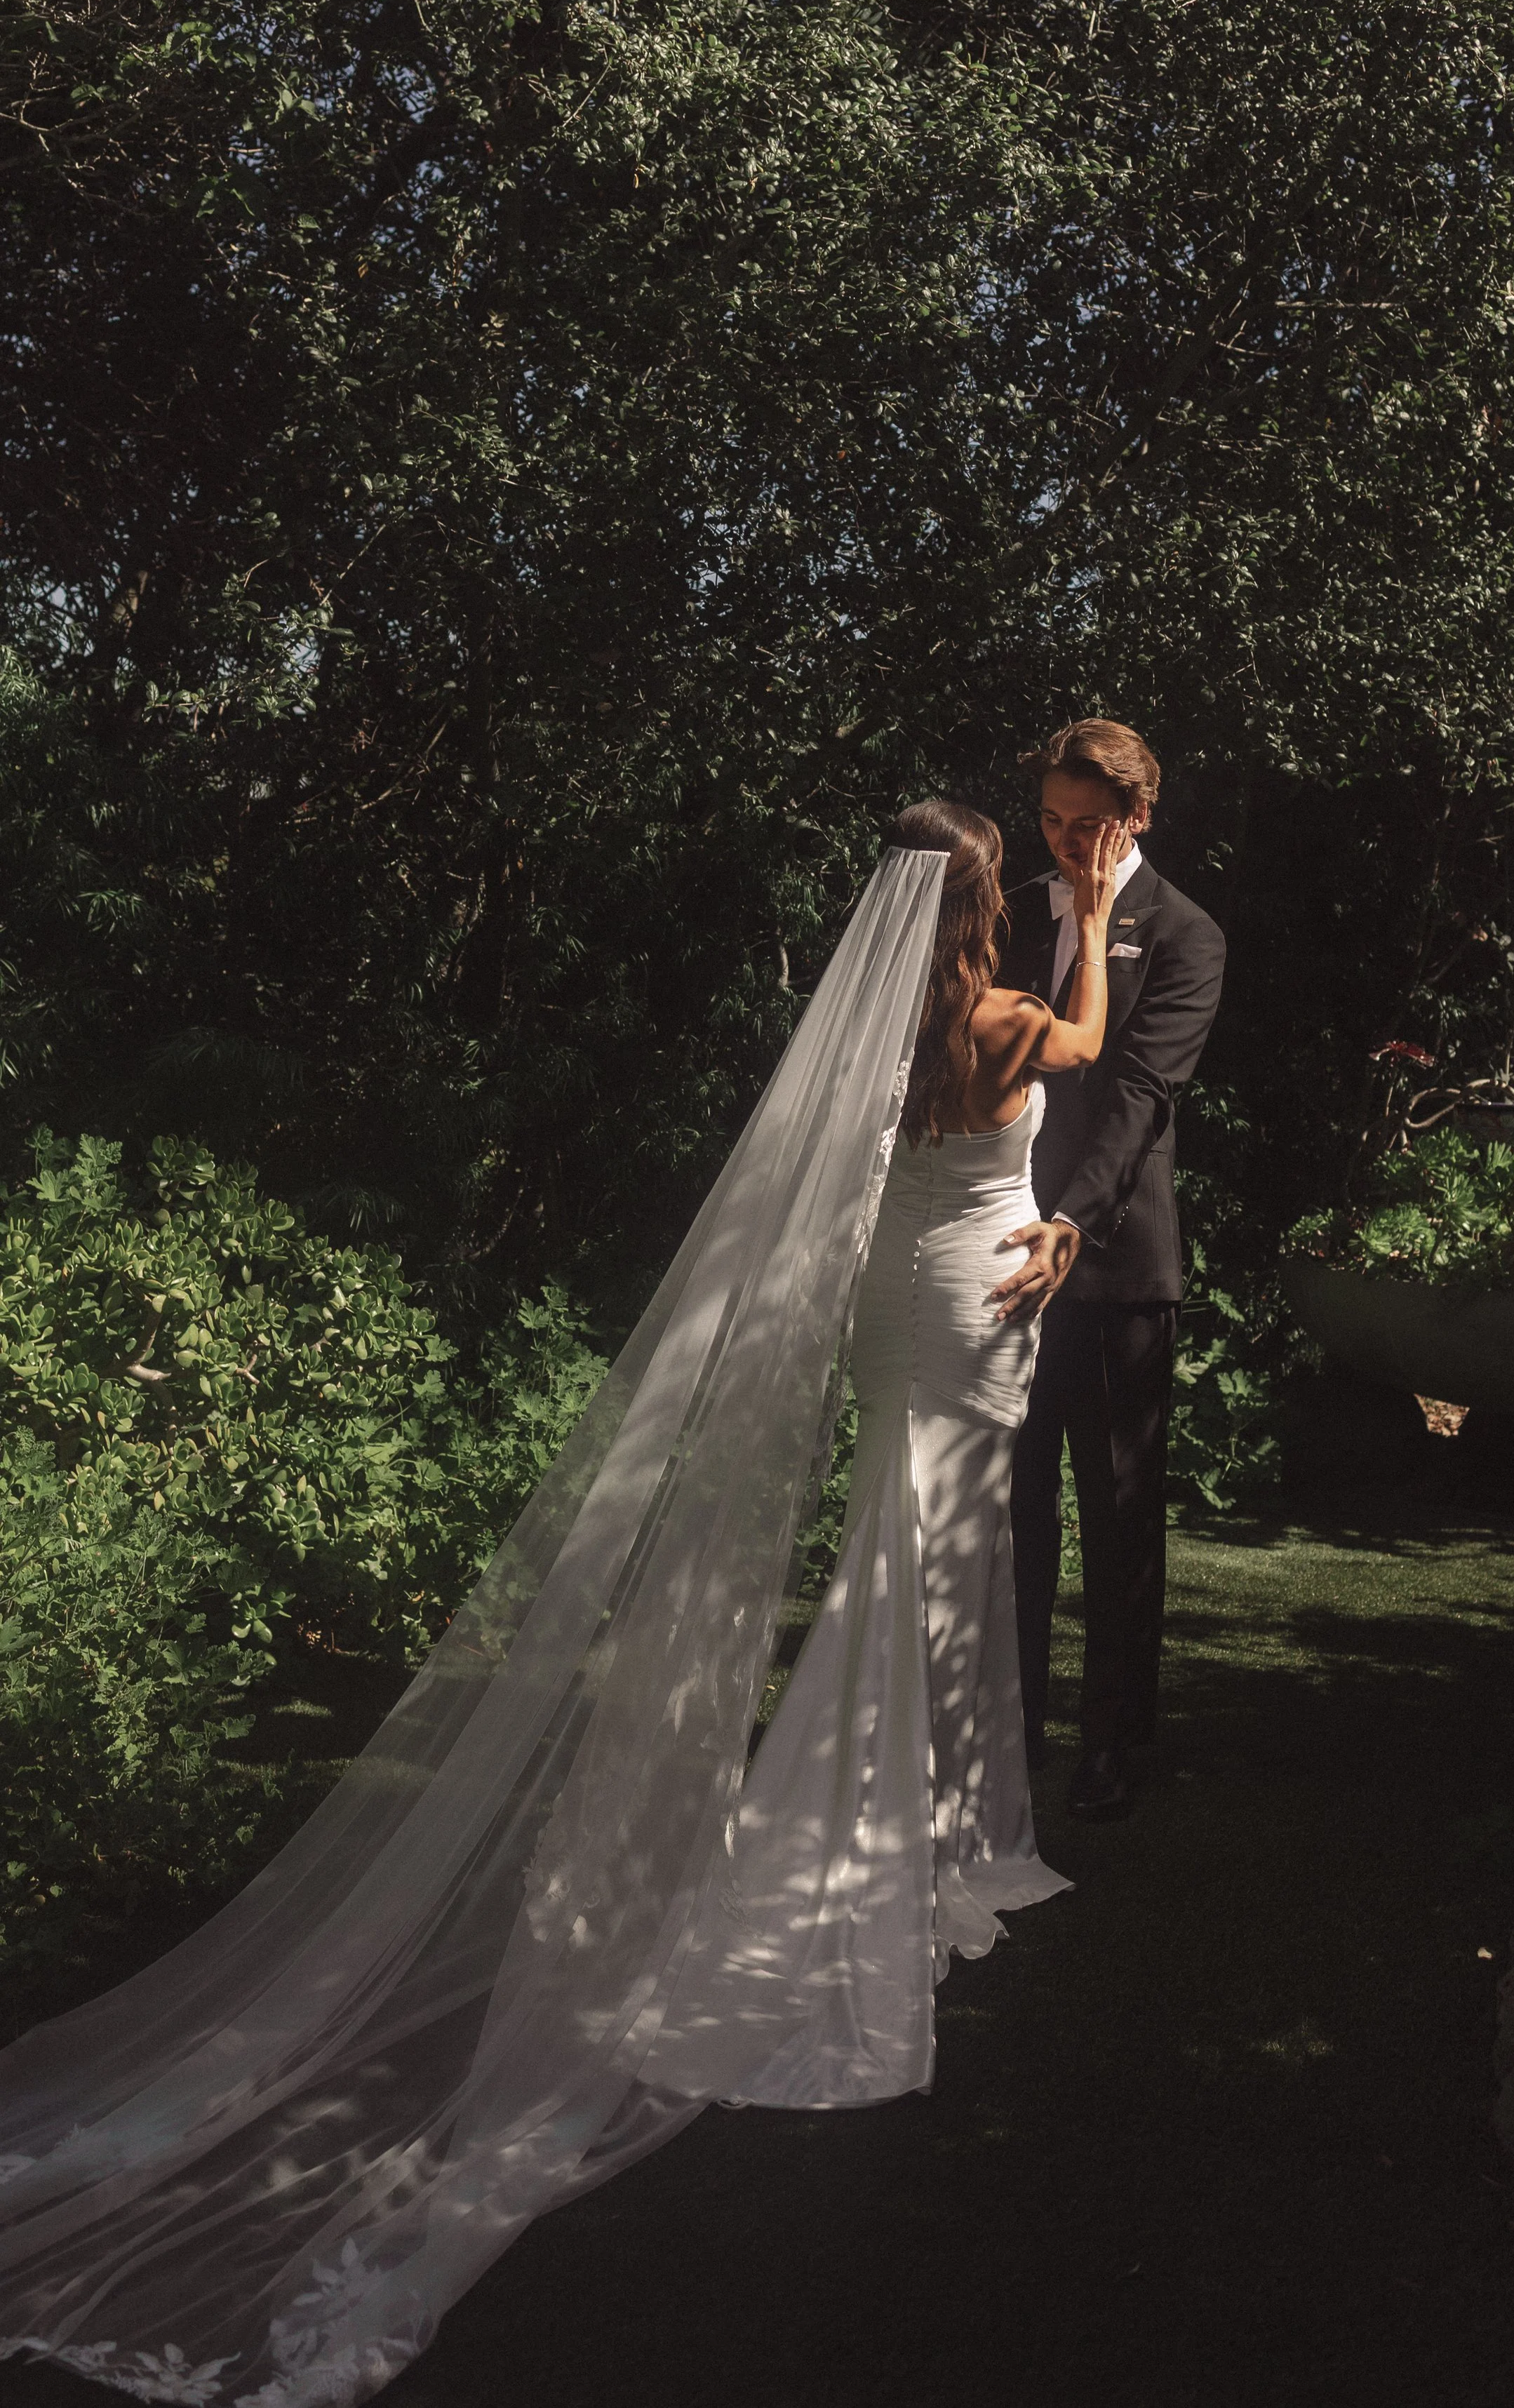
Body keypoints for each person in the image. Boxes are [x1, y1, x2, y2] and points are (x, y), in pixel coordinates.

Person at [0, 803, 1125, 2407]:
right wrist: (1092, 905)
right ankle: (876, 1843)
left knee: (901, 1551)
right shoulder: (1009, 1016)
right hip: (972, 1303)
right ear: (979, 901)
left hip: (901, 1300)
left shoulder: (886, 1029)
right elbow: (1085, 1040)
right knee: (930, 1559)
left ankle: (930, 1824)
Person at [991, 720, 1226, 1821]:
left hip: (1113, 1258)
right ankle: (1011, 1724)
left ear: (1138, 817)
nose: (1066, 841)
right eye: (1050, 819)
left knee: (1119, 1508)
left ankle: (1115, 1744)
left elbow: (1139, 1097)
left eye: (1088, 824)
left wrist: (1069, 1221)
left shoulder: (1186, 933)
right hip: (1001, 1248)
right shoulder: (1009, 914)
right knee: (1015, 1505)